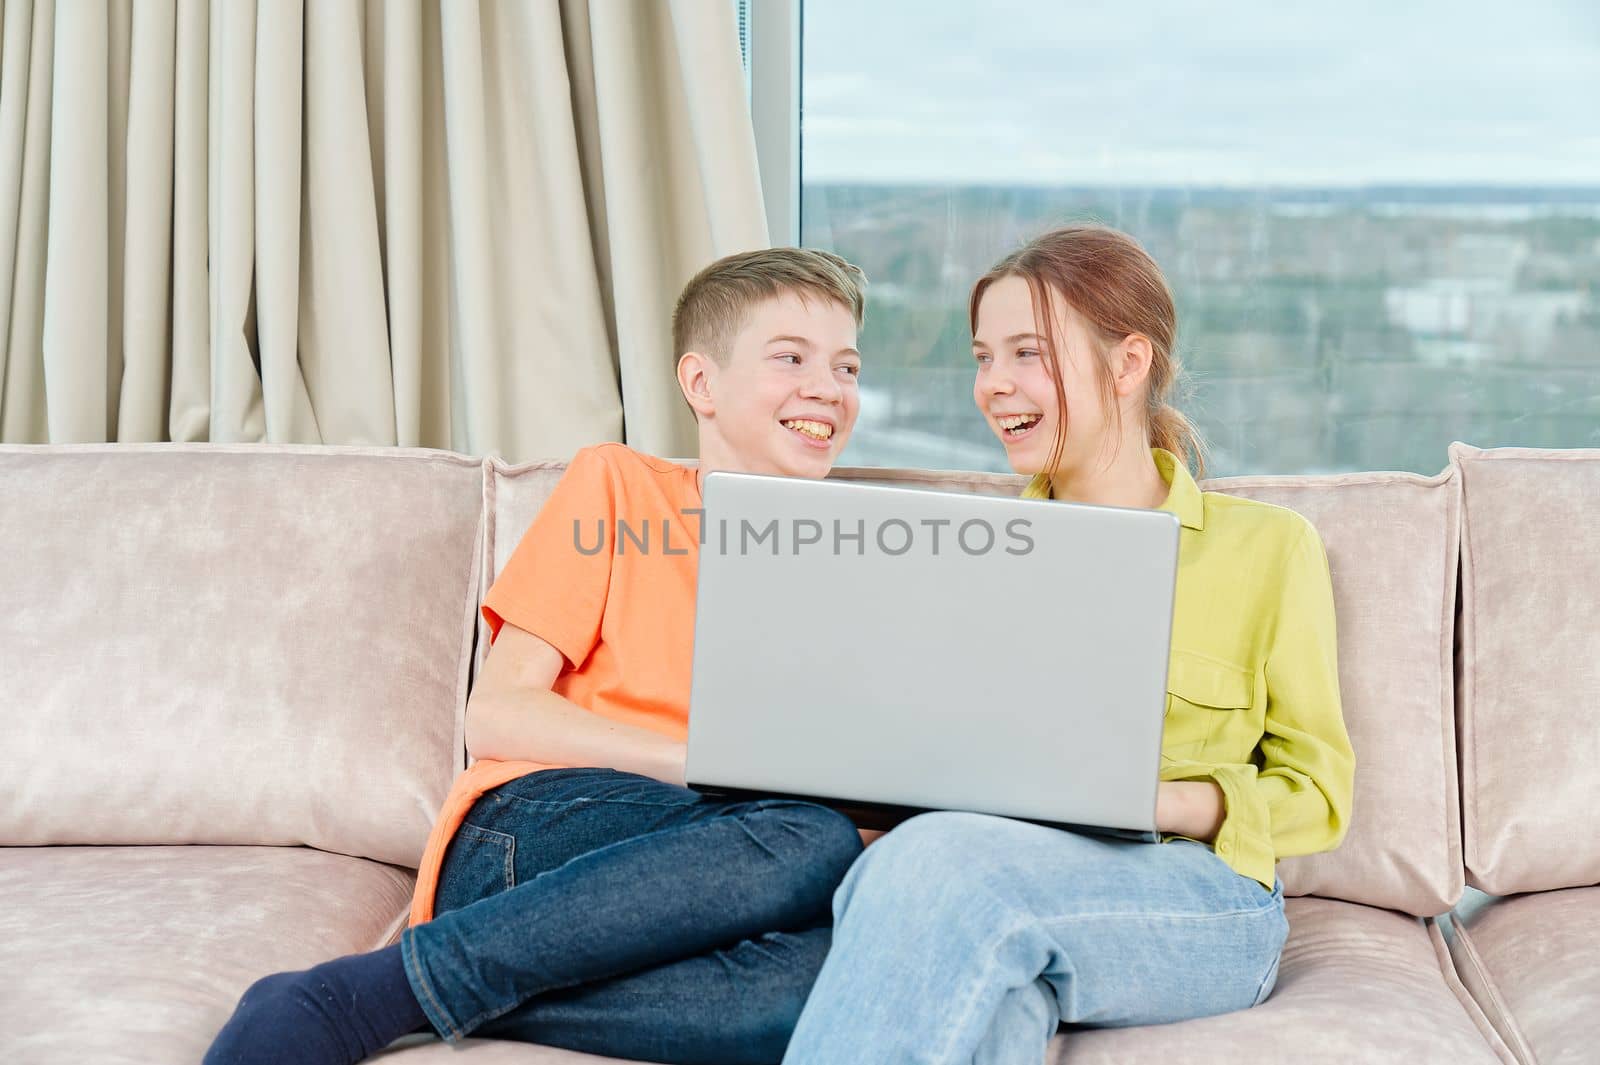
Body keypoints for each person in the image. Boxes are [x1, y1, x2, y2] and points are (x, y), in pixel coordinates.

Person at [206, 247, 871, 1065]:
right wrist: (707, 762)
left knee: (818, 982)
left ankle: (422, 994)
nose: (827, 389)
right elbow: (499, 713)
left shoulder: (863, 558)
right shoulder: (621, 487)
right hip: (531, 833)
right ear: (701, 384)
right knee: (812, 837)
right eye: (791, 358)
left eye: (846, 366)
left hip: (724, 869)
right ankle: (358, 998)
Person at [782, 225, 1357, 1064]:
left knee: (935, 870)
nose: (994, 385)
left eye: (1027, 353)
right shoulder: (967, 553)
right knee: (990, 989)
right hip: (1001, 872)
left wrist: (1156, 800)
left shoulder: (1269, 548)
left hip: (1199, 894)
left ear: (1128, 366)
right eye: (982, 356)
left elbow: (1320, 790)